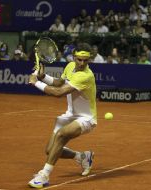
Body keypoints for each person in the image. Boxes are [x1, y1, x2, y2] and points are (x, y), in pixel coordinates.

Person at [28, 42, 97, 188]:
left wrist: (35, 83)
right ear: (73, 57)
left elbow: (58, 93)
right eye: (79, 59)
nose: (82, 63)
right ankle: (82, 157)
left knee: (61, 135)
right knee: (50, 150)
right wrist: (43, 77)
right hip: (70, 115)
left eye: (86, 60)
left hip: (86, 118)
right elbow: (59, 83)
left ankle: (44, 175)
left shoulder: (86, 76)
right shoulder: (70, 67)